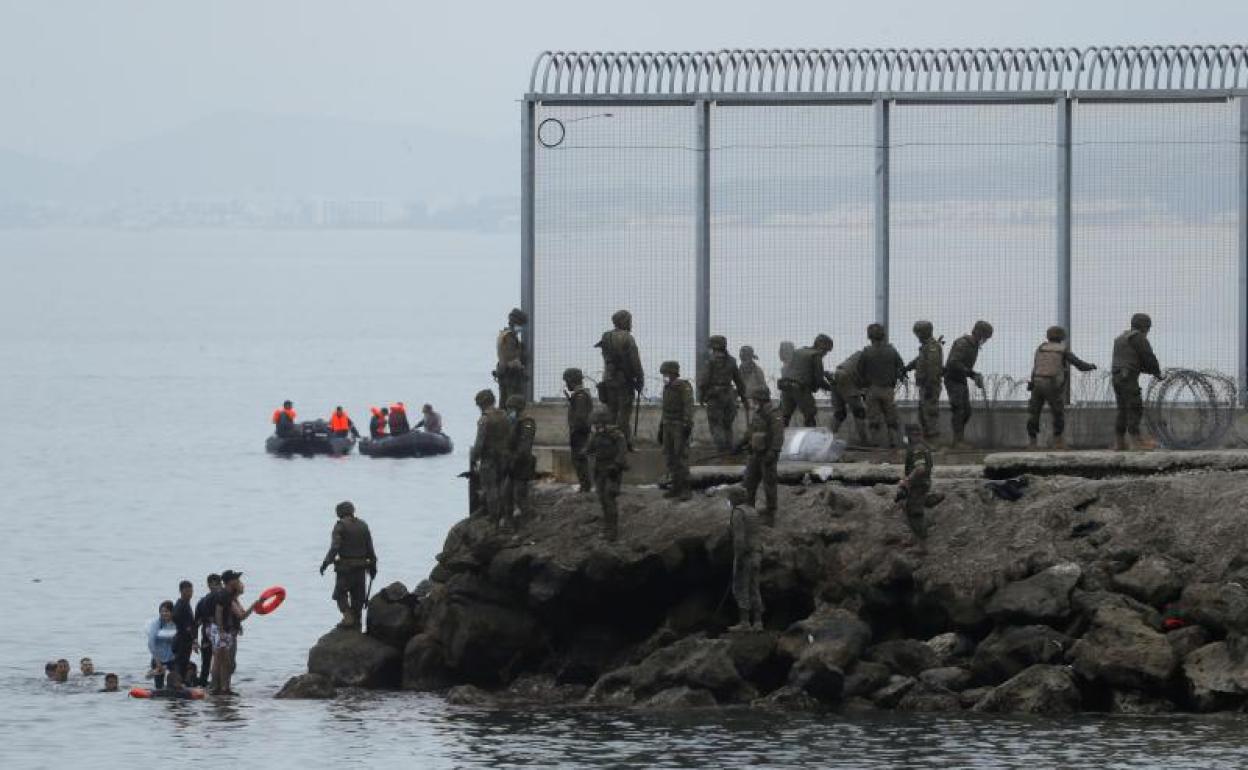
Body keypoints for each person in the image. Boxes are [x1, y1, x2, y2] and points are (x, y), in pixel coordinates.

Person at [1027, 325, 1097, 450]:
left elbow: (1035, 366)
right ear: (1062, 337)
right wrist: (1090, 366)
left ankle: (1032, 442)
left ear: (1048, 336)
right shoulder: (1062, 349)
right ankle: (1058, 442)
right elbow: (1078, 364)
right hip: (1052, 385)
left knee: (1034, 413)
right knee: (1058, 413)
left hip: (1037, 383)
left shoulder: (1041, 348)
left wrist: (1032, 383)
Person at [320, 501, 378, 629]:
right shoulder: (363, 525)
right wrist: (373, 566)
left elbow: (335, 547)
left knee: (340, 593)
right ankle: (356, 622)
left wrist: (326, 562)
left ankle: (348, 617)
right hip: (362, 567)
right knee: (358, 596)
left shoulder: (340, 526)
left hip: (345, 568)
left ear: (339, 513)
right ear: (352, 510)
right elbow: (370, 548)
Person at [1112, 313, 1164, 451]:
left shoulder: (1120, 338)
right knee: (1135, 407)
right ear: (1145, 326)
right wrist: (1157, 372)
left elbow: (1131, 359)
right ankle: (1137, 441)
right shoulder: (1138, 338)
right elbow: (1147, 357)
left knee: (1122, 409)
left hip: (1117, 376)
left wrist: (1147, 370)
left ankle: (1120, 442)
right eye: (1148, 327)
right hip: (1127, 377)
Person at [595, 309, 644, 450]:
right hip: (624, 381)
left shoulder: (606, 336)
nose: (631, 323)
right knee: (624, 414)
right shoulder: (627, 338)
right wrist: (639, 379)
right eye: (629, 320)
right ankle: (623, 443)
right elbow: (635, 362)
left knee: (611, 412)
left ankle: (608, 442)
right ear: (623, 321)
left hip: (609, 380)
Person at [857, 323, 907, 448]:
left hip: (872, 389)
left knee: (873, 419)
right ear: (883, 335)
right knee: (891, 417)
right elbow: (901, 367)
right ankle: (894, 442)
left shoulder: (866, 352)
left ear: (869, 336)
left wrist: (864, 385)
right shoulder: (891, 350)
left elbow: (859, 371)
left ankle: (875, 444)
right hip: (888, 389)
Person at [944, 321, 993, 448]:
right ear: (978, 333)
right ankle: (958, 441)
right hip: (953, 379)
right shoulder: (963, 343)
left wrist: (973, 376)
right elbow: (953, 363)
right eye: (985, 337)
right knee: (959, 410)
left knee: (966, 411)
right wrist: (971, 373)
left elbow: (964, 367)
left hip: (961, 380)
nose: (985, 340)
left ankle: (959, 439)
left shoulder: (974, 346)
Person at [742, 387, 785, 525]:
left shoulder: (773, 413)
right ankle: (748, 511)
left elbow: (778, 434)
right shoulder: (757, 412)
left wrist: (774, 451)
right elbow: (751, 431)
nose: (753, 401)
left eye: (755, 399)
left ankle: (770, 514)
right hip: (755, 454)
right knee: (749, 482)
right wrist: (741, 443)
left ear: (760, 399)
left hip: (767, 455)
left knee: (769, 484)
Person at [211, 570, 258, 696]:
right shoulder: (225, 595)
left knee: (223, 661)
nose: (239, 582)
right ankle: (222, 688)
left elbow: (235, 615)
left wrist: (237, 625)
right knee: (225, 662)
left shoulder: (228, 595)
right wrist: (255, 604)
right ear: (230, 581)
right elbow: (219, 612)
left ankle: (220, 688)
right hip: (222, 631)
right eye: (237, 579)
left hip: (223, 630)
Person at [698, 335, 748, 452]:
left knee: (716, 425)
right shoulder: (732, 361)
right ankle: (729, 449)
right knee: (727, 425)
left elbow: (704, 381)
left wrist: (701, 396)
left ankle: (721, 450)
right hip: (729, 396)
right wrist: (743, 398)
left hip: (714, 397)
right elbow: (739, 381)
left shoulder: (710, 361)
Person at [726, 486, 764, 631]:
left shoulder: (738, 513)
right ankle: (758, 622)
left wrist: (739, 558)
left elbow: (739, 540)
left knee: (741, 586)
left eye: (730, 497)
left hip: (746, 554)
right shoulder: (752, 511)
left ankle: (745, 622)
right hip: (757, 553)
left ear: (735, 498)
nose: (729, 500)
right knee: (755, 587)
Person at [469, 389, 510, 524]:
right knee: (502, 486)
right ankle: (505, 514)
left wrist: (474, 457)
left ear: (482, 403)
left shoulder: (484, 419)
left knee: (490, 488)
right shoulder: (505, 415)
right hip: (505, 457)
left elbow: (480, 442)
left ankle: (494, 516)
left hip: (489, 459)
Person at [588, 407, 628, 540]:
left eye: (597, 423)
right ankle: (607, 528)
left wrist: (616, 465)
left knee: (609, 499)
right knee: (603, 500)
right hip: (599, 470)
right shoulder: (597, 435)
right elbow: (590, 448)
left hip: (612, 471)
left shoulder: (615, 434)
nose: (595, 425)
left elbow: (622, 452)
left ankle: (613, 531)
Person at [779, 334, 833, 427]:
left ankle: (778, 438)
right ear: (821, 346)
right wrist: (832, 388)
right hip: (799, 388)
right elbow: (819, 380)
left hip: (785, 386)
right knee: (809, 415)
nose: (825, 354)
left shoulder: (798, 351)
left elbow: (793, 369)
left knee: (785, 417)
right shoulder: (816, 356)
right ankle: (811, 439)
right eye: (826, 351)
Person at [659, 361, 694, 502]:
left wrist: (687, 423)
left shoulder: (683, 386)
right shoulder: (667, 387)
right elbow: (664, 409)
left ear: (673, 373)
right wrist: (661, 427)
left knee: (681, 457)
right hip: (668, 424)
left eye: (666, 373)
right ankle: (675, 486)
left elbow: (688, 405)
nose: (664, 376)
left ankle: (686, 489)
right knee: (670, 457)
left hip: (679, 425)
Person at [906, 320, 944, 442]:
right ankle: (928, 440)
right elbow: (919, 360)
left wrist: (929, 386)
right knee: (923, 414)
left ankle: (934, 441)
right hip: (926, 386)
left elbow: (933, 368)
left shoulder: (932, 347)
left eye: (918, 333)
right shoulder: (926, 347)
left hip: (930, 386)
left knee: (930, 413)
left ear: (924, 333)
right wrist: (907, 368)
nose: (917, 336)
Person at [504, 395, 537, 525]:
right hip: (512, 463)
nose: (508, 411)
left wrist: (514, 458)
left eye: (511, 408)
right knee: (507, 494)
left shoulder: (527, 422)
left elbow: (525, 445)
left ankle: (529, 520)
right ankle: (509, 522)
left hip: (522, 464)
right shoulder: (512, 421)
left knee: (519, 495)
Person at [897, 424, 934, 539]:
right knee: (909, 510)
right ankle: (915, 538)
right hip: (919, 484)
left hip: (918, 485)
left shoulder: (918, 448)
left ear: (911, 435)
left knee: (915, 514)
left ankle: (922, 546)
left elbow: (920, 468)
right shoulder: (923, 446)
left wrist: (907, 481)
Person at [563, 367, 594, 493]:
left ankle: (585, 486)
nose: (566, 384)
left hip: (579, 433)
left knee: (579, 459)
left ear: (572, 380)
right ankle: (584, 485)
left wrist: (575, 430)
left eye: (567, 381)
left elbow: (580, 417)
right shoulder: (578, 395)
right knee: (578, 459)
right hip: (579, 432)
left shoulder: (580, 395)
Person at [829, 350, 869, 446]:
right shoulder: (872, 358)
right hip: (847, 378)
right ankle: (864, 441)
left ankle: (827, 439)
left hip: (837, 376)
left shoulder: (859, 354)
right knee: (859, 412)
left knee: (840, 413)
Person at [495, 308, 528, 407]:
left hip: (505, 374)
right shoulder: (509, 338)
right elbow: (511, 359)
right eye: (521, 324)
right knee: (512, 403)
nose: (522, 328)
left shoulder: (505, 335)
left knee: (504, 401)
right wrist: (521, 367)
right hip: (510, 376)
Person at [193, 573, 222, 687]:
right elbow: (196, 623)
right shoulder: (202, 602)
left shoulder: (221, 600)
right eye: (213, 585)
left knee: (217, 663)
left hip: (214, 636)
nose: (216, 587)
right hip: (208, 637)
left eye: (218, 585)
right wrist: (194, 641)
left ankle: (214, 685)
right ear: (208, 585)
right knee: (206, 664)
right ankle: (205, 685)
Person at [147, 600, 177, 690]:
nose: (164, 613)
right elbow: (151, 643)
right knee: (159, 686)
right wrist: (158, 662)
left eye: (166, 611)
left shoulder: (176, 623)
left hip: (172, 658)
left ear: (172, 612)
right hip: (158, 658)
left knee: (175, 682)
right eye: (162, 611)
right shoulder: (156, 624)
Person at [172, 580, 196, 681]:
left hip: (184, 639)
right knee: (180, 663)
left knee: (183, 663)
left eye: (191, 591)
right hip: (181, 640)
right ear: (181, 591)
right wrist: (194, 640)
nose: (190, 594)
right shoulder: (181, 605)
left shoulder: (186, 604)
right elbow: (186, 626)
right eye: (187, 591)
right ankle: (177, 683)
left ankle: (179, 682)